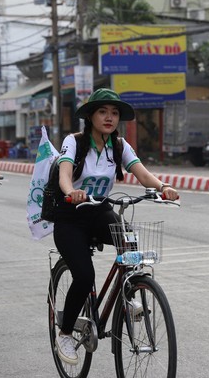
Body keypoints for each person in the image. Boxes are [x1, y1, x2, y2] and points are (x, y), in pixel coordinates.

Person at [51, 88, 179, 366]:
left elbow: (141, 172)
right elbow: (63, 173)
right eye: (103, 112)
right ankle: (64, 333)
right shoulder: (74, 142)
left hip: (99, 212)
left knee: (130, 243)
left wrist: (162, 187)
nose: (109, 118)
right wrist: (71, 190)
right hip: (71, 217)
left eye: (114, 113)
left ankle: (128, 292)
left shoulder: (118, 145)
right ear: (90, 116)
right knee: (84, 276)